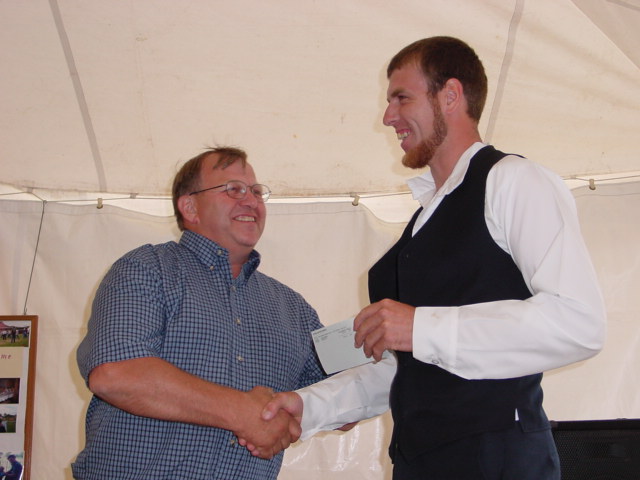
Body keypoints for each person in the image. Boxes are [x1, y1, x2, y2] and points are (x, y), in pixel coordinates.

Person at [254, 36, 607, 479]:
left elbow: (579, 323)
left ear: (451, 96)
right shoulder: (422, 223)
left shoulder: (513, 181)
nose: (387, 117)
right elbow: (409, 370)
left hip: (497, 461)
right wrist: (310, 407)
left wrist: (419, 327)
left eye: (402, 98)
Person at [72, 146, 327, 479]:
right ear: (190, 207)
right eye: (234, 189)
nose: (251, 201)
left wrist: (379, 334)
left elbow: (340, 391)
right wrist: (243, 413)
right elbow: (116, 374)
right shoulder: (147, 269)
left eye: (256, 191)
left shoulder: (293, 308)